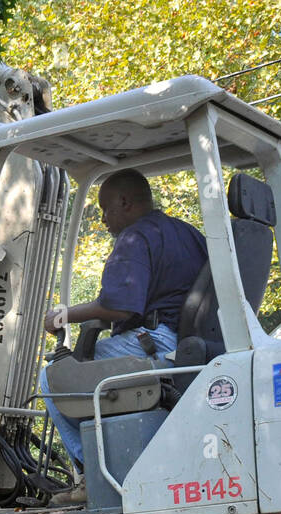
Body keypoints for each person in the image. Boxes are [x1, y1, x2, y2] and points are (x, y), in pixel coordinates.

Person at [39, 169, 208, 486]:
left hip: (155, 341)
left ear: (125, 202)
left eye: (105, 208)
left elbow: (121, 306)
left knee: (52, 377)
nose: (103, 219)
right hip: (191, 342)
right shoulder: (188, 234)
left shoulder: (134, 238)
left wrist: (61, 315)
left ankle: (91, 476)